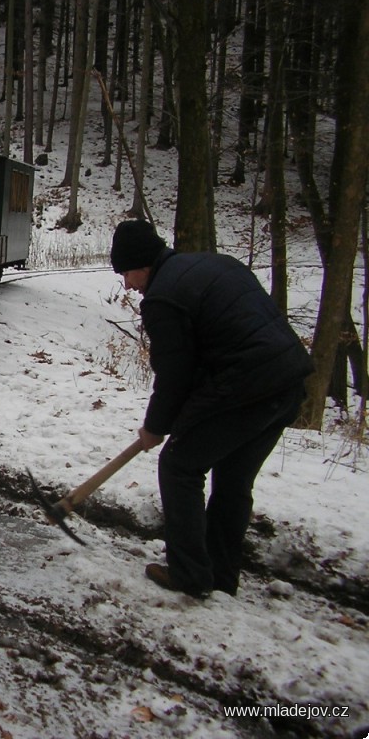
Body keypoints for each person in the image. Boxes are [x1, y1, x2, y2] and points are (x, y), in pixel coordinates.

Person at [110, 219, 312, 598]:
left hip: (248, 386)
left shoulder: (163, 298)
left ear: (142, 264)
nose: (128, 285)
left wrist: (156, 425)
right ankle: (220, 575)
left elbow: (174, 372)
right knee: (233, 480)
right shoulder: (214, 264)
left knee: (179, 466)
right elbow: (212, 348)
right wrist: (179, 417)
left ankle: (189, 575)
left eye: (126, 274)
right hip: (288, 382)